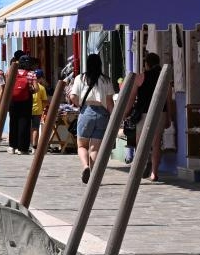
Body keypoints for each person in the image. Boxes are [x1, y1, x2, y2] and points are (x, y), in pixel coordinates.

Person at [126, 52, 174, 181]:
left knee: (140, 142)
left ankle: (141, 167)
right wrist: (169, 117)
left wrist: (126, 113)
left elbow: (131, 98)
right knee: (156, 143)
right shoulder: (164, 78)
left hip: (143, 113)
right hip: (160, 113)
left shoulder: (140, 77)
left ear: (146, 64)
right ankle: (154, 173)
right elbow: (168, 100)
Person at [68, 53, 115, 184]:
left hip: (87, 111)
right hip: (102, 114)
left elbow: (73, 97)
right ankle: (92, 174)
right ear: (100, 64)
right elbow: (109, 103)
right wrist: (114, 118)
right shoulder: (106, 80)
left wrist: (80, 105)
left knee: (82, 145)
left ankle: (85, 166)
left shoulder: (80, 78)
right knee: (95, 148)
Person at [8, 55, 39, 156]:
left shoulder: (11, 72)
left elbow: (8, 85)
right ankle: (22, 148)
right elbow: (36, 89)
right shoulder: (31, 74)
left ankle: (12, 146)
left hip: (13, 101)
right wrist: (30, 90)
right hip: (26, 101)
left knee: (13, 122)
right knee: (24, 123)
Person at [31, 68, 49, 149]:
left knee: (29, 128)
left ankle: (29, 144)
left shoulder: (29, 86)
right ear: (41, 78)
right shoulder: (41, 88)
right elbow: (45, 101)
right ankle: (34, 146)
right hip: (37, 110)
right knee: (35, 128)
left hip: (27, 110)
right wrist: (43, 107)